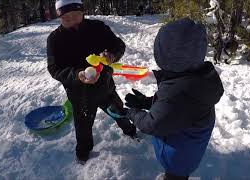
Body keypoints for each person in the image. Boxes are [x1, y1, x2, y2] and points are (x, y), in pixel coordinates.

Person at [123, 18, 224, 179]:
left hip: (177, 160)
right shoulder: (196, 78)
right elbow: (175, 110)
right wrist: (148, 102)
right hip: (187, 151)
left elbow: (153, 124)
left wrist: (133, 114)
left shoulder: (179, 90)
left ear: (169, 56)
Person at [47, 0, 136, 165]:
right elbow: (54, 69)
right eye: (66, 18)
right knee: (82, 128)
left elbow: (118, 44)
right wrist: (77, 75)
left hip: (105, 89)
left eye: (76, 15)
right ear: (59, 17)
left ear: (83, 12)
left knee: (118, 111)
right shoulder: (54, 39)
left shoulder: (98, 28)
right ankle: (82, 153)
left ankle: (130, 131)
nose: (72, 20)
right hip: (80, 96)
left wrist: (112, 55)